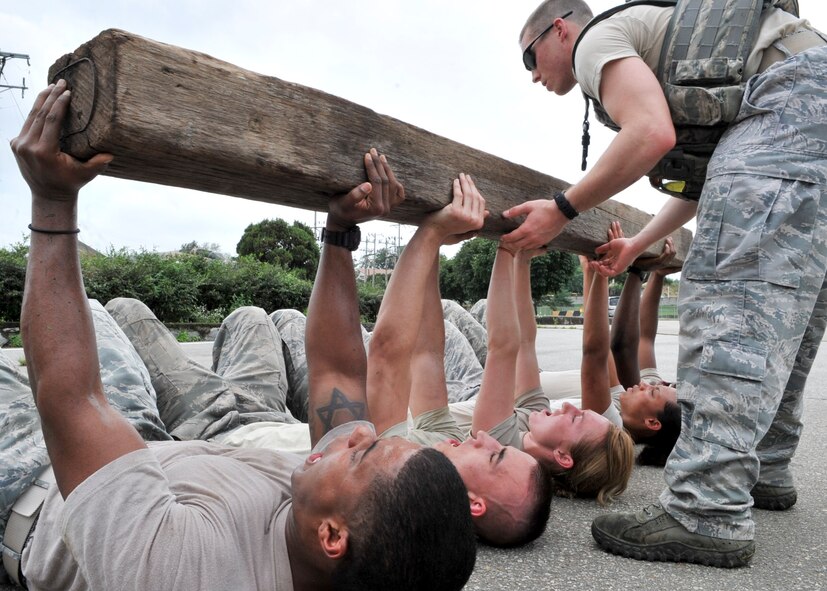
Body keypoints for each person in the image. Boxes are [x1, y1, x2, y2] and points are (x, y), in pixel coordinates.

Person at [1, 81, 477, 590]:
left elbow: (71, 400)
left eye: (363, 452)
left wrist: (52, 202)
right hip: (148, 453)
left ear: (332, 537)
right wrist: (340, 232)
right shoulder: (331, 502)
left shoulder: (187, 573)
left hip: (32, 478)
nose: (363, 431)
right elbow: (337, 371)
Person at [508, 0, 827, 568]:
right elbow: (700, 184)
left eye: (530, 57)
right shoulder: (662, 50)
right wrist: (636, 244)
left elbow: (651, 133)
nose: (533, 75)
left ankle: (706, 510)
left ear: (560, 29)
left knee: (734, 307)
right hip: (809, 104)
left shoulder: (593, 44)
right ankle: (767, 467)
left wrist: (564, 207)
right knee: (788, 314)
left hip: (787, 106)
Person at [467, 241, 635, 505]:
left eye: (575, 419)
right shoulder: (535, 418)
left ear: (563, 456)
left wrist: (508, 248)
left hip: (449, 394)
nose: (569, 405)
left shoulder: (501, 445)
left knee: (448, 312)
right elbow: (525, 343)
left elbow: (503, 346)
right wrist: (522, 261)